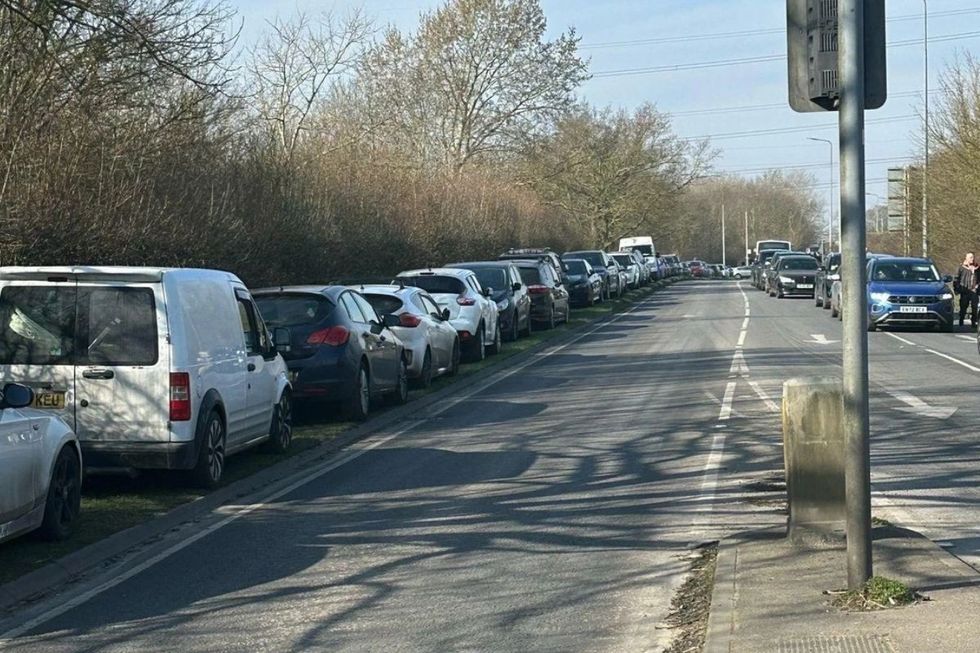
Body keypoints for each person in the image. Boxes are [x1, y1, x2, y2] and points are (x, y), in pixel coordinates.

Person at [955, 252, 979, 329]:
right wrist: (957, 289)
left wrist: (977, 286)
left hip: (974, 290)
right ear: (966, 258)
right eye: (970, 257)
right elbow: (956, 279)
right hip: (964, 290)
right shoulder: (961, 267)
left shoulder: (977, 268)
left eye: (973, 257)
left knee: (975, 307)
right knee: (963, 306)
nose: (972, 259)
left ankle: (973, 322)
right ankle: (961, 319)